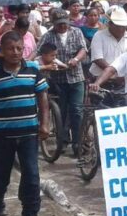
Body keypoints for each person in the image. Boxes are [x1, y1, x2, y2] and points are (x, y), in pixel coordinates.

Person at [0, 32, 50, 216]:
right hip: (2, 134)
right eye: (10, 48)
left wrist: (45, 124)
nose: (15, 52)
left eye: (19, 48)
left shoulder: (33, 69)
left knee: (31, 175)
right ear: (2, 50)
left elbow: (42, 97)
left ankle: (30, 215)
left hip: (29, 133)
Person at [37, 9, 88, 157]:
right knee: (62, 112)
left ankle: (78, 143)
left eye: (65, 23)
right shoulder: (48, 36)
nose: (63, 27)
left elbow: (83, 49)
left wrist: (76, 59)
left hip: (76, 77)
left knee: (77, 111)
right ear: (53, 24)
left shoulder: (76, 32)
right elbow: (38, 51)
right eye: (59, 24)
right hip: (58, 79)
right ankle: (63, 140)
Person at [89, 6, 127, 84]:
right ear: (110, 24)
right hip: (100, 80)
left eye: (123, 26)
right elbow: (98, 59)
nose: (121, 29)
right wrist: (114, 73)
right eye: (118, 26)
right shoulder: (99, 36)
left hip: (123, 81)